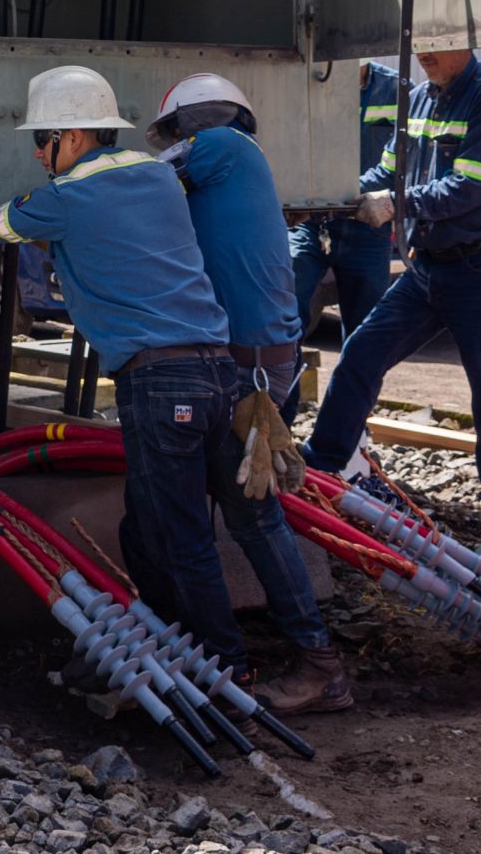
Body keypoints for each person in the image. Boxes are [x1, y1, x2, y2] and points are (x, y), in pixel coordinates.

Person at [0, 67, 254, 680]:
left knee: (181, 536)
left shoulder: (68, 196)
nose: (37, 154)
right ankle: (170, 643)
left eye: (43, 140)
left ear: (77, 135)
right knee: (146, 525)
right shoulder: (157, 175)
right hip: (218, 372)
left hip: (159, 383)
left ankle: (224, 668)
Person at [147, 74, 351, 714]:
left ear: (192, 123)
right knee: (242, 516)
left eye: (176, 131)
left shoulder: (222, 149)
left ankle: (317, 664)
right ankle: (271, 654)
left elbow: (137, 179)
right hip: (250, 363)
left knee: (251, 519)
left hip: (247, 372)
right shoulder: (231, 170)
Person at [301, 48, 481, 557]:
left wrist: (395, 204)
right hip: (429, 266)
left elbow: (473, 185)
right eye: (421, 39)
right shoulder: (422, 99)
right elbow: (385, 173)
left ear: (465, 41)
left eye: (437, 41)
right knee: (361, 355)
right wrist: (328, 201)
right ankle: (318, 472)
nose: (424, 52)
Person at [287, 60, 402, 374]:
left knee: (364, 334)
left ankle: (351, 420)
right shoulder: (302, 83)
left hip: (368, 227)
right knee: (284, 315)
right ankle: (281, 414)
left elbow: (403, 162)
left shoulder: (396, 90)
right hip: (310, 223)